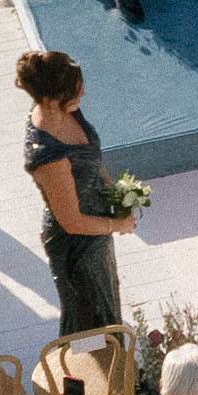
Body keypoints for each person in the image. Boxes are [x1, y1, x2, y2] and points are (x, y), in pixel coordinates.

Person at [18, 47, 135, 335]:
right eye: (76, 90)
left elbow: (93, 157)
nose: (82, 95)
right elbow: (71, 221)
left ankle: (113, 369)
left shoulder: (64, 108)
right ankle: (82, 379)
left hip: (96, 229)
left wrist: (117, 192)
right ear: (52, 96)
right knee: (88, 321)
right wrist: (117, 224)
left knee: (107, 307)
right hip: (76, 244)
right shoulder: (48, 154)